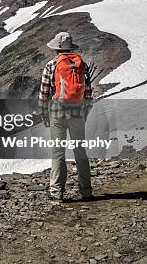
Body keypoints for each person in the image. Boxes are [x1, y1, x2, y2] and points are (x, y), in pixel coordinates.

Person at [39, 32, 93, 201]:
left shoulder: (51, 65)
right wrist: (84, 114)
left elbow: (44, 94)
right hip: (77, 111)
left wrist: (45, 115)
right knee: (80, 151)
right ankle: (86, 191)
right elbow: (88, 95)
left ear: (56, 49)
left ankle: (56, 191)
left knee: (58, 152)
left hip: (57, 112)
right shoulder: (81, 64)